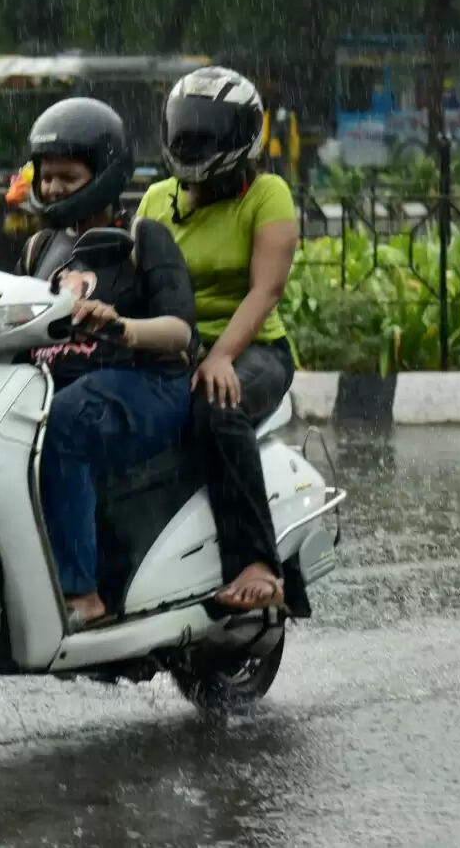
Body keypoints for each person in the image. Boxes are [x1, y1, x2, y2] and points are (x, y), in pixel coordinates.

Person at [18, 98, 197, 630]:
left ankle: (83, 595)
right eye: (46, 177)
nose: (53, 188)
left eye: (68, 177)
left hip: (147, 383)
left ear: (104, 175)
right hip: (64, 385)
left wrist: (120, 326)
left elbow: (181, 333)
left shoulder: (143, 238)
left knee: (66, 420)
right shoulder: (40, 248)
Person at [137, 67, 299, 612]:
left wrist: (222, 356)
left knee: (218, 405)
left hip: (253, 349)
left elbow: (265, 290)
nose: (193, 142)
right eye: (186, 130)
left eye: (205, 132)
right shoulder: (156, 199)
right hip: (172, 347)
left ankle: (257, 564)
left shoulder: (267, 195)